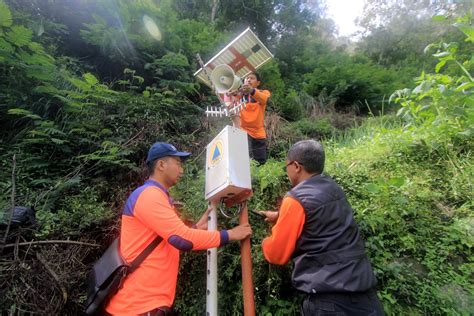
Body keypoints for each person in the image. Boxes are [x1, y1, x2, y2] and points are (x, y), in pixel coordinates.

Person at [105, 142, 252, 315]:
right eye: (178, 163)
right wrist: (231, 234)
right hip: (137, 307)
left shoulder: (157, 196)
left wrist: (197, 227)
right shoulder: (149, 196)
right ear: (161, 165)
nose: (181, 170)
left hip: (145, 306)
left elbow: (167, 242)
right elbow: (182, 240)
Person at [259, 140, 384, 316]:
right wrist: (280, 216)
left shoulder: (295, 198)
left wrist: (264, 240)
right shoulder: (334, 189)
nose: (286, 171)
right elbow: (320, 217)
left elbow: (276, 254)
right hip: (366, 298)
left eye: (285, 166)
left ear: (296, 166)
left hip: (329, 303)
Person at [230, 72, 271, 164]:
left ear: (258, 83)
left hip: (259, 133)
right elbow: (229, 107)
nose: (248, 80)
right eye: (247, 78)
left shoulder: (263, 93)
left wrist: (252, 91)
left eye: (252, 78)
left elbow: (265, 99)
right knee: (246, 160)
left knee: (261, 162)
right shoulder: (238, 96)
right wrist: (231, 94)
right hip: (244, 131)